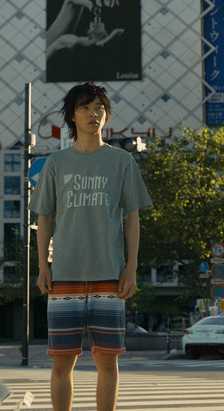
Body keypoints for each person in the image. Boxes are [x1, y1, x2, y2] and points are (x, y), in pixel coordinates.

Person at [29, 82, 152, 411]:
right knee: (60, 364)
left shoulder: (122, 161)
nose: (93, 113)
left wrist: (131, 268)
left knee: (108, 362)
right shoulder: (56, 163)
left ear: (107, 114)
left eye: (99, 107)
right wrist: (43, 266)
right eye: (85, 107)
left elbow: (133, 217)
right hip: (64, 274)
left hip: (109, 275)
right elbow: (44, 219)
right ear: (72, 115)